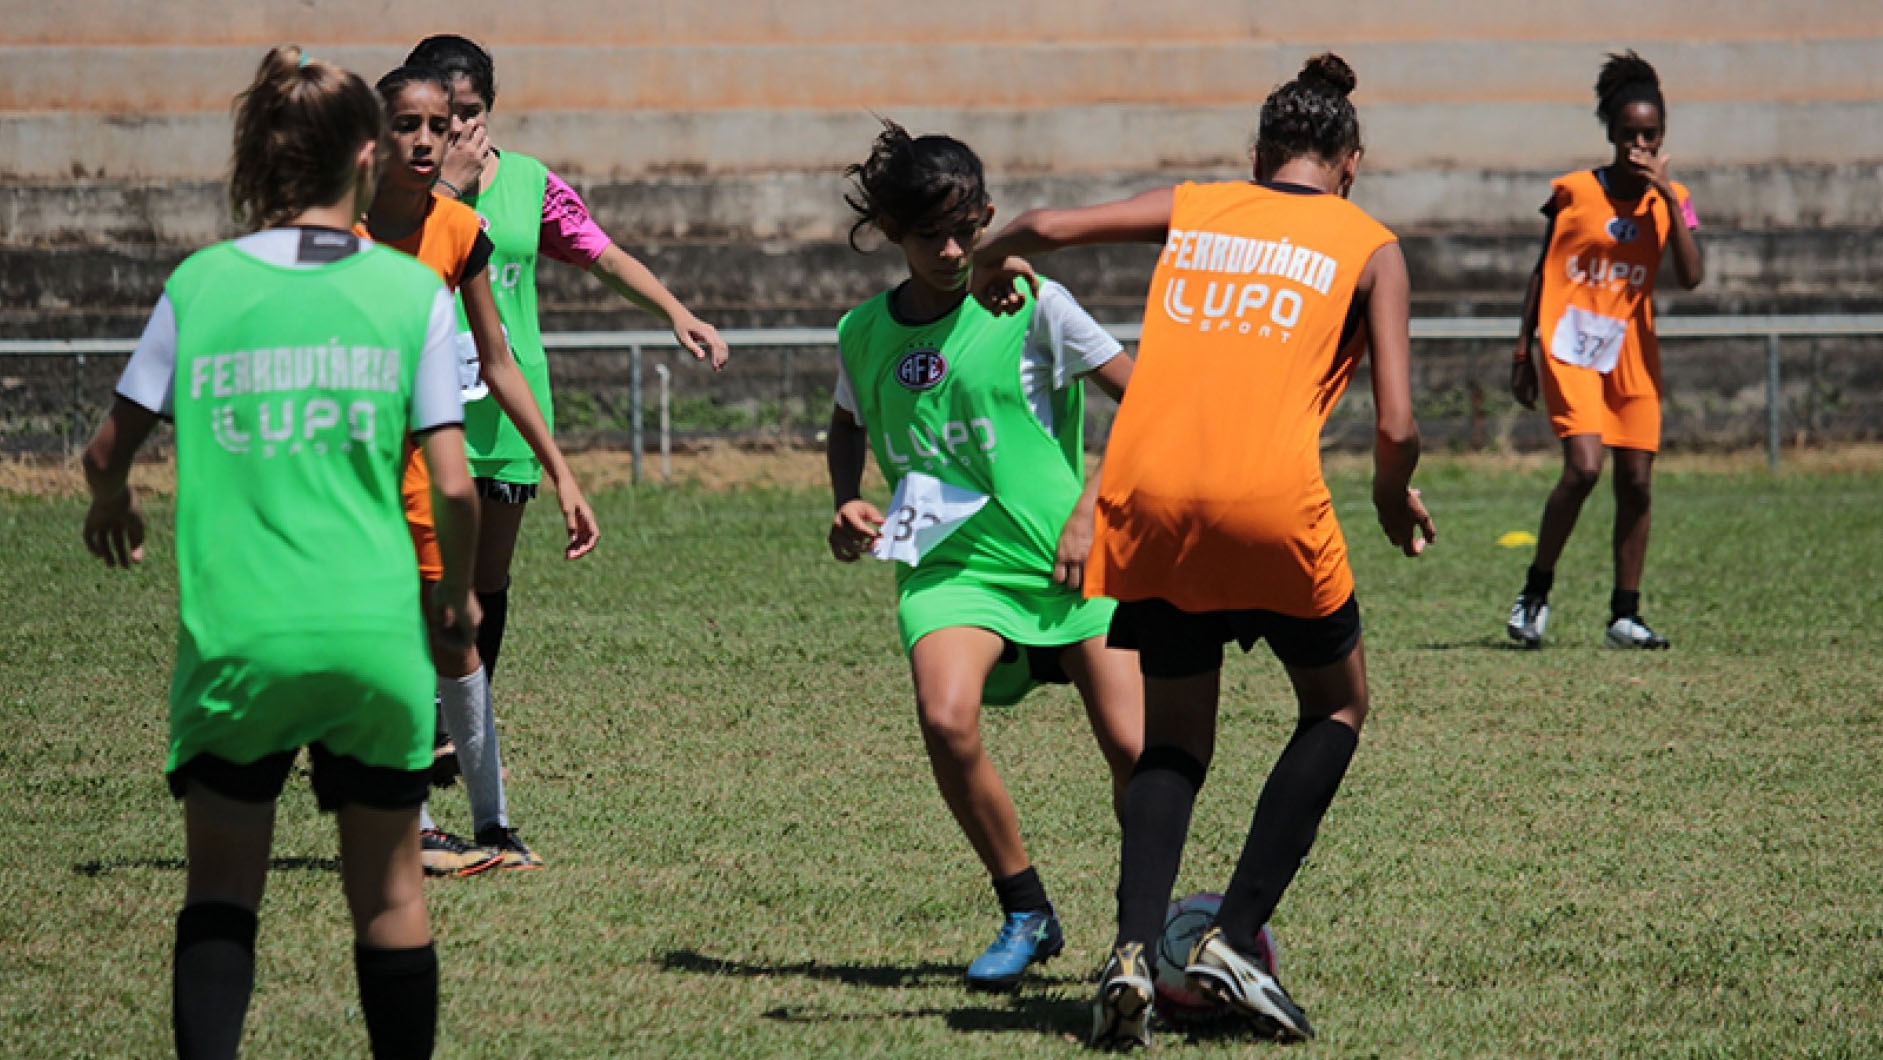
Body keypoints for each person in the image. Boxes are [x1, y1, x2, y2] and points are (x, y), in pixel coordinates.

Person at [970, 54, 1434, 1046]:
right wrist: (1390, 496)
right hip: (1270, 504)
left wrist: (985, 263)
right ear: (1350, 161)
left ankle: (1131, 952)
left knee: (1174, 741)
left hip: (1152, 500)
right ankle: (1232, 934)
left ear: (1256, 154)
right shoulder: (1369, 245)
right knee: (1338, 704)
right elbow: (1396, 424)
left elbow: (1044, 228)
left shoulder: (1201, 205)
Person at [81, 45, 473, 1058]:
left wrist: (113, 500)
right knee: (388, 897)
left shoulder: (201, 285)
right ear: (368, 155)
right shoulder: (407, 292)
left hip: (239, 637)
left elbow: (104, 446)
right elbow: (457, 484)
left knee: (219, 894)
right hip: (370, 639)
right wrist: (457, 599)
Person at [825, 120, 1143, 992]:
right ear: (892, 233)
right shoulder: (861, 331)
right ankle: (1025, 909)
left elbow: (1151, 403)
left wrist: (1089, 509)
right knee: (945, 718)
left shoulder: (1034, 302)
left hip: (1069, 564)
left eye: (967, 227)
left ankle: (1142, 930)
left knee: (1133, 752)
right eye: (929, 234)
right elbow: (848, 421)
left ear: (990, 215)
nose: (953, 248)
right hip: (949, 570)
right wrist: (846, 500)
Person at [402, 33, 729, 686]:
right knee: (427, 570)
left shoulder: (528, 182)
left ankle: (469, 715)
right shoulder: (401, 191)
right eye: (445, 115)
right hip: (422, 409)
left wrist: (676, 312)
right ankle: (417, 716)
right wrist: (444, 189)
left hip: (510, 409)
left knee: (488, 579)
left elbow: (602, 254)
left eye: (470, 112)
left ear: (489, 108)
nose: (459, 128)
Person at [362, 64, 602, 875]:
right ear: (374, 137)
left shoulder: (459, 232)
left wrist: (560, 470)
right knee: (391, 643)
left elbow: (498, 362)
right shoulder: (343, 236)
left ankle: (493, 825)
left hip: (435, 470)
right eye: (408, 125)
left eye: (440, 125)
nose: (428, 140)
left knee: (456, 633)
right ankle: (416, 823)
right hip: (352, 474)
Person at [1506, 51, 1703, 650]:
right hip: (1569, 343)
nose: (1638, 145)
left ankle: (1625, 613)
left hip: (1631, 350)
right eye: (1628, 134)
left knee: (1637, 481)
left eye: (1650, 134)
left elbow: (1692, 276)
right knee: (1585, 467)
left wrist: (1667, 199)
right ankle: (1534, 594)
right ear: (1611, 134)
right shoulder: (1571, 192)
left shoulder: (1675, 199)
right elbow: (1542, 270)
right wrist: (1522, 350)